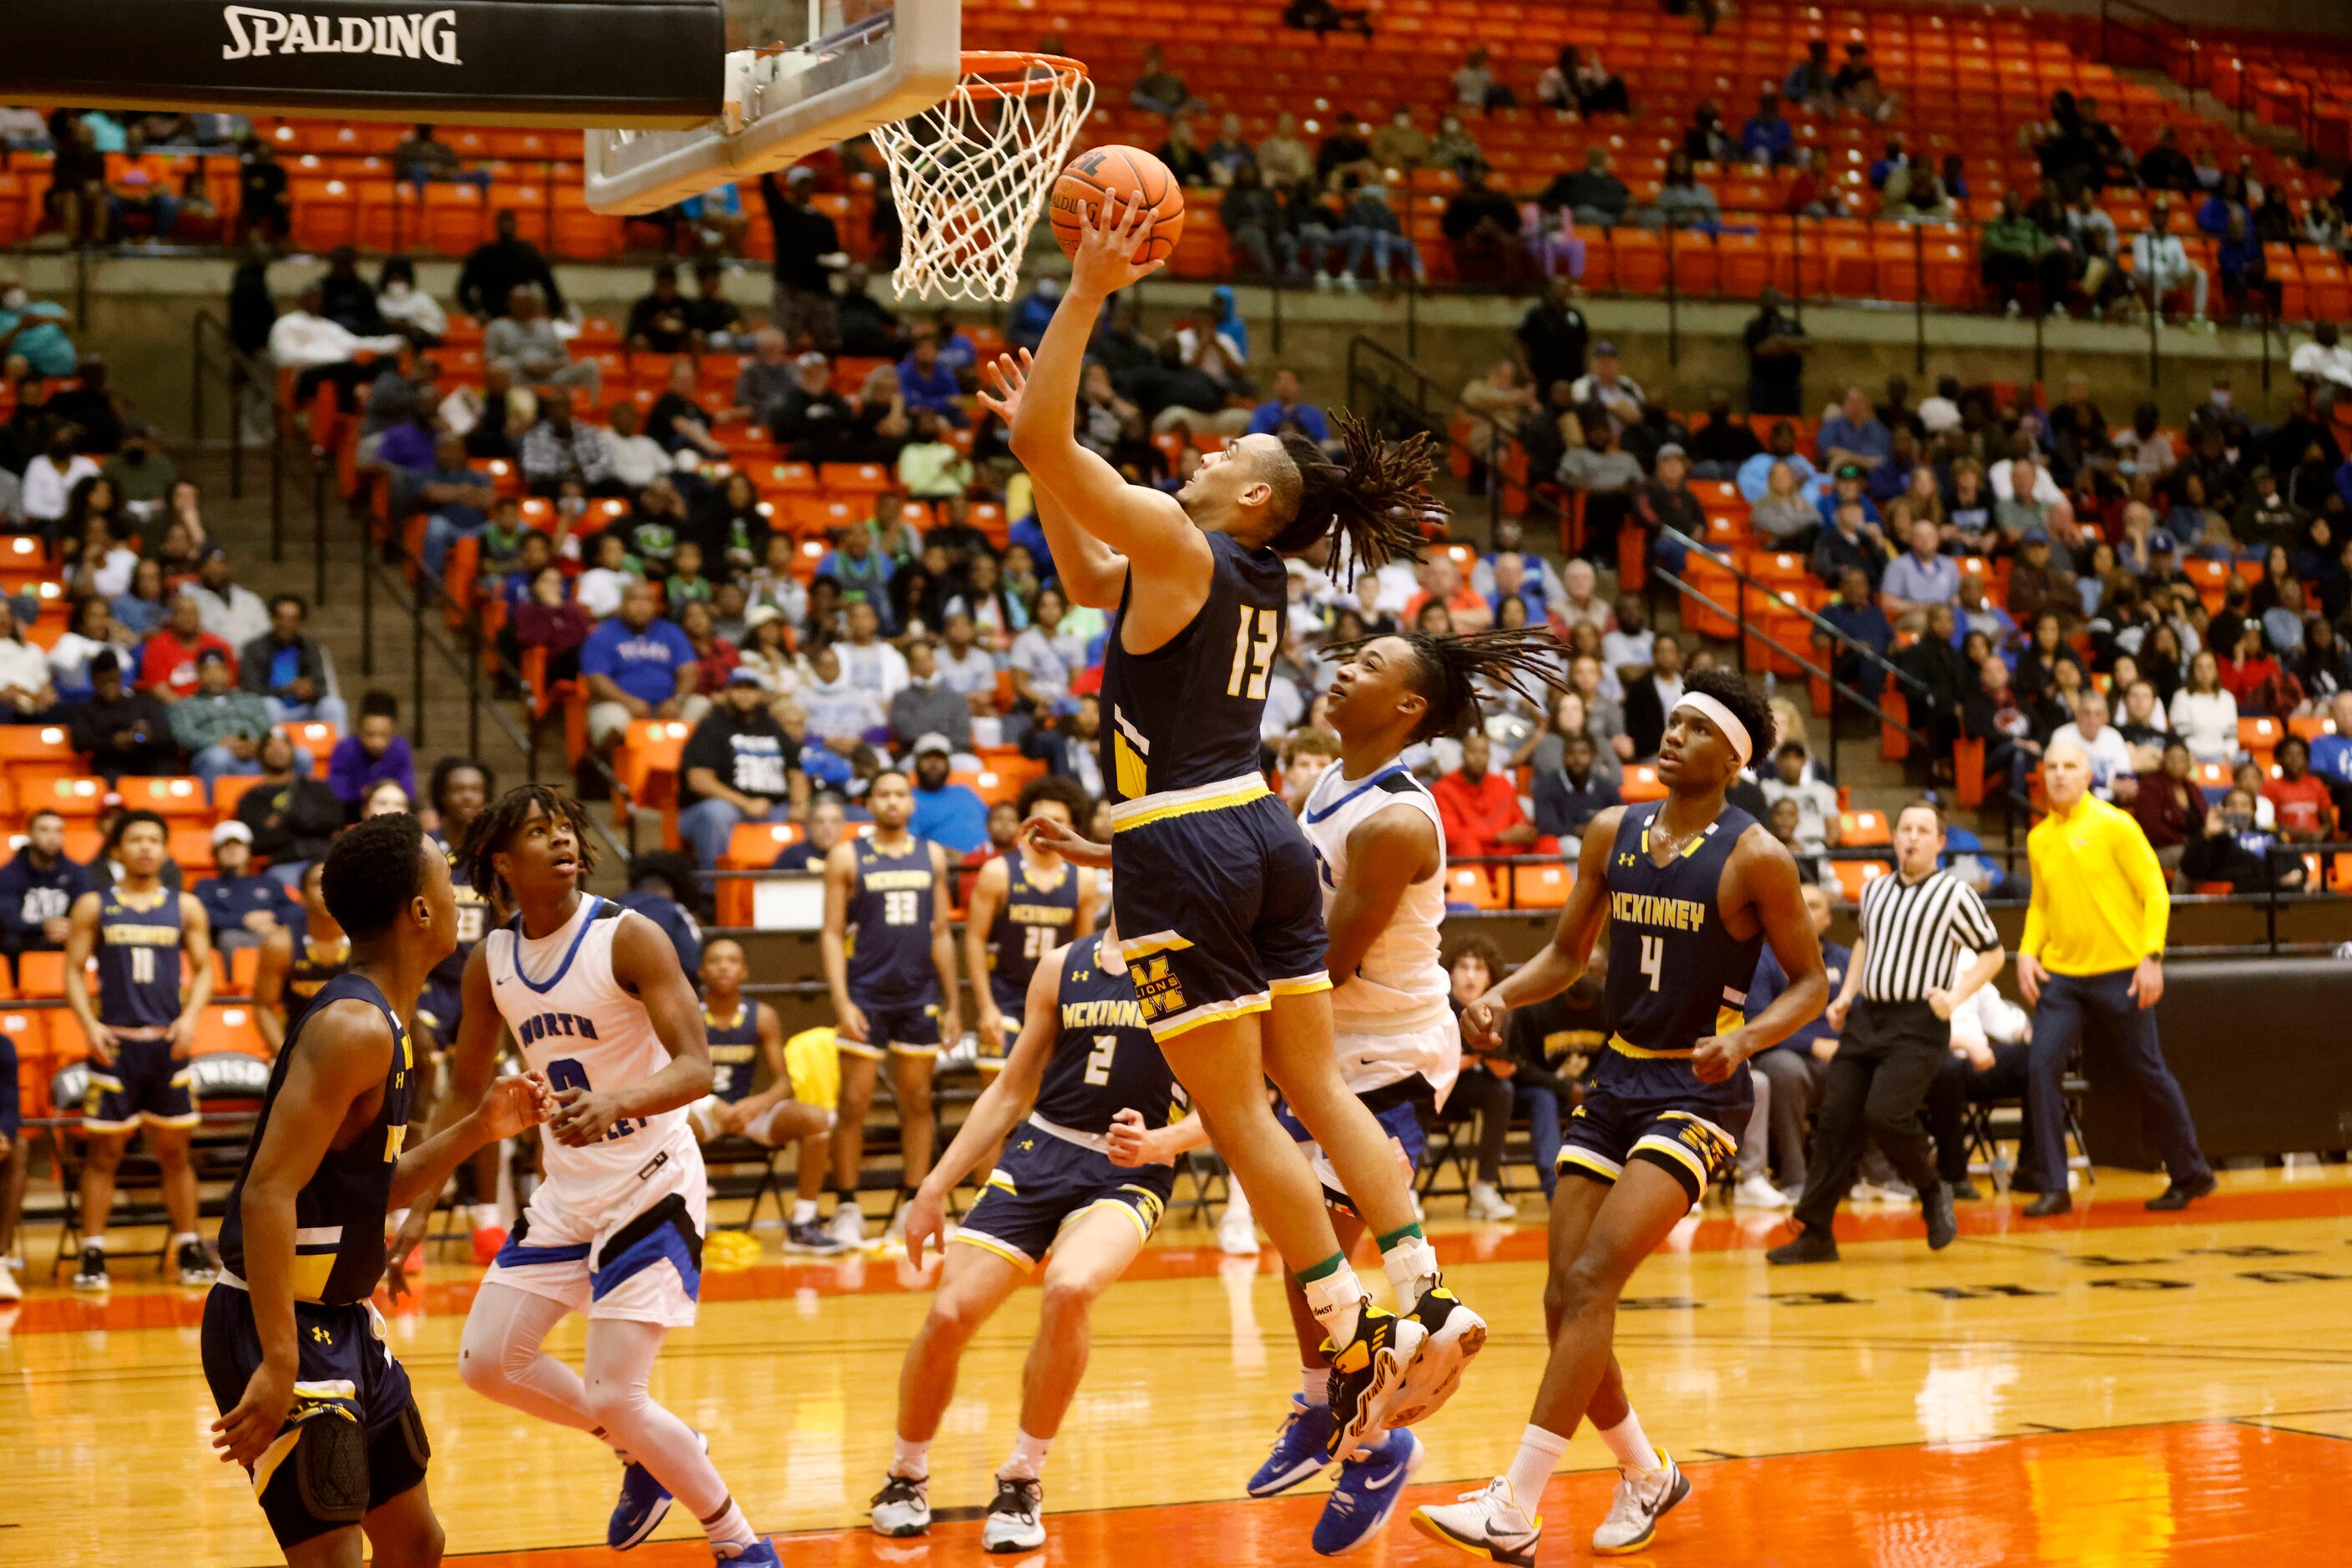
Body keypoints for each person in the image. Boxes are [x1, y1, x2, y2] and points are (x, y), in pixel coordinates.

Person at [998, 193, 1475, 1464]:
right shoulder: (1219, 567)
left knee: (1256, 1112)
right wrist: (1042, 465)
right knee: (1312, 1081)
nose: (1202, 456)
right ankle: (1426, 1284)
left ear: (1257, 502)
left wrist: (1088, 289)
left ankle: (1349, 1325)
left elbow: (1054, 432)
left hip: (1182, 844)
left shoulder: (1186, 535)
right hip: (1261, 827)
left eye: (1227, 457)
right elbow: (1086, 577)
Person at [1112, 625, 1552, 1550]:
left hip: (1386, 1060)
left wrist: (1211, 975)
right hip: (1331, 1047)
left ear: (1407, 708)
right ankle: (1325, 1402)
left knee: (1329, 1246)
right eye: (1349, 656)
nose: (1345, 665)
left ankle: (1378, 1442)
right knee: (1299, 1247)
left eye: (1370, 665)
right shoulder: (1326, 784)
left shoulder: (1394, 820)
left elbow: (1329, 961)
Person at [1416, 671, 1825, 1560]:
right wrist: (1504, 1002)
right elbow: (1567, 952)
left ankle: (1514, 1508)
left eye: (1692, 727)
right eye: (1669, 720)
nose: (1671, 735)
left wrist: (1750, 1038)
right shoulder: (1615, 831)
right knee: (1564, 1300)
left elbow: (1812, 981)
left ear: (1731, 758)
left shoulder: (1757, 856)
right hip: (1615, 1082)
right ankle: (1647, 1475)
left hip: (1699, 1092)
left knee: (1595, 1280)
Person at [413, 787, 777, 1564]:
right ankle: (645, 1452)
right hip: (567, 1193)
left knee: (618, 1393)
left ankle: (739, 1542)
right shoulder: (494, 959)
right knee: (487, 1364)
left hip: (652, 1180)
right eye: (539, 833)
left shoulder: (629, 935)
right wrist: (413, 1207)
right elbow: (463, 1090)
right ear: (502, 863)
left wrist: (614, 1100)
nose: (562, 842)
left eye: (566, 829)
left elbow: (697, 1068)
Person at [200, 814, 556, 1568]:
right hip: (282, 1320)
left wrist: (478, 1129)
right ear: (419, 911)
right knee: (334, 1558)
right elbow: (268, 1193)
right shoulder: (355, 1026)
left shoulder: (386, 1024)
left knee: (417, 1542)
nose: (460, 893)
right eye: (445, 879)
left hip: (348, 1323)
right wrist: (278, 1361)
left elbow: (370, 1189)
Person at [871, 908, 1178, 1553]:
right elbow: (1011, 1089)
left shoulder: (1197, 968)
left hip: (1126, 1170)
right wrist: (932, 1187)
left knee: (1069, 1288)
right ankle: (905, 1474)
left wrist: (1161, 1142)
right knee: (950, 1314)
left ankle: (1022, 1479)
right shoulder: (1062, 966)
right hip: (1041, 1151)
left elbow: (1243, 1103)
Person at [1767, 801, 2004, 1263]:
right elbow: (1864, 943)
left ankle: (1934, 1190)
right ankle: (1816, 1232)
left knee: (1886, 1115)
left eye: (1923, 831)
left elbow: (1993, 955)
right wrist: (1846, 994)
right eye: (1905, 829)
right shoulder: (1875, 892)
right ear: (1894, 839)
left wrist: (1954, 999)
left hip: (1918, 1023)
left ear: (1938, 843)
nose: (1912, 838)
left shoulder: (1954, 894)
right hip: (1867, 1018)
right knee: (1836, 1121)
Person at [2014, 741, 2213, 1216]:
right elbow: (2041, 903)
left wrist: (2152, 956)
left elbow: (2154, 892)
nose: (2060, 775)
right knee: (2040, 1067)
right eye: (2052, 767)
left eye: (2070, 767)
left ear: (2088, 775)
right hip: (2062, 976)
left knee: (2147, 1072)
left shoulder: (2115, 825)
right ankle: (2054, 1185)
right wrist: (2025, 952)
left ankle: (2190, 1173)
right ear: (2043, 777)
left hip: (2121, 972)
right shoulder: (2039, 837)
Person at [64, 810, 218, 1290]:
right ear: (117, 850)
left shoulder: (186, 907)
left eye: (155, 839)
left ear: (167, 849)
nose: (146, 848)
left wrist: (191, 1018)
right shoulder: (94, 905)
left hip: (165, 1045)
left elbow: (205, 967)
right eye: (136, 840)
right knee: (103, 1155)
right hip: (115, 1044)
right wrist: (88, 1025)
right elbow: (71, 970)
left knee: (175, 1153)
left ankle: (190, 1243)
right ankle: (92, 1253)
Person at [821, 768, 960, 1247]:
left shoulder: (933, 855)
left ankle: (912, 1202)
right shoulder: (847, 855)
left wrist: (953, 1001)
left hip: (918, 995)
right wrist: (841, 1000)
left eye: (901, 794)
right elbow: (831, 933)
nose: (893, 802)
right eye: (884, 794)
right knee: (853, 1103)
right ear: (870, 801)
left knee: (918, 1101)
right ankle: (846, 1206)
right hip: (866, 994)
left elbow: (941, 931)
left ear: (912, 802)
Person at [684, 938, 837, 1256]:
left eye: (732, 960)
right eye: (715, 960)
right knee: (670, 1127)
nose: (724, 965)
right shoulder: (687, 1013)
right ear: (702, 971)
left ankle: (804, 1223)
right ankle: (677, 1226)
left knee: (816, 1121)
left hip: (746, 1111)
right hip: (701, 1109)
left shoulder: (762, 1016)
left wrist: (758, 1104)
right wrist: (712, 1104)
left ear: (744, 971)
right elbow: (670, 1072)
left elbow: (784, 1082)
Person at [963, 775, 1100, 1071]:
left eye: (1056, 820)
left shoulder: (1084, 880)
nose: (1045, 828)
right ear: (1025, 822)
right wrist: (986, 1007)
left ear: (1071, 827)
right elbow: (974, 939)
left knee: (1048, 1099)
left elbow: (1083, 953)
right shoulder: (997, 872)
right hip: (1006, 996)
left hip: (1055, 999)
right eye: (1039, 819)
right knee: (998, 1092)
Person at [677, 670, 802, 867]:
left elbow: (795, 771)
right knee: (718, 813)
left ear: (760, 694)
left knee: (821, 815)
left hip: (774, 808)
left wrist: (800, 804)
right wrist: (746, 803)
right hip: (719, 808)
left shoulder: (771, 727)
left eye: (750, 689)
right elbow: (698, 779)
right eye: (738, 688)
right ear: (727, 692)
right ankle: (714, 889)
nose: (745, 694)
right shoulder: (711, 726)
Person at [250, 858, 348, 1055]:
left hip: (359, 1051)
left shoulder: (369, 940)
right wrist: (284, 1060)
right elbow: (263, 1007)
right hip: (301, 1051)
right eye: (319, 883)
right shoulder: (280, 945)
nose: (328, 890)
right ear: (301, 896)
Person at [195, 820, 292, 956]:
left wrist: (272, 916)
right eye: (226, 845)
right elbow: (203, 916)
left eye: (238, 844)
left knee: (288, 937)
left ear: (248, 850)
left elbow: (294, 910)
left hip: (270, 935)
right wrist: (244, 921)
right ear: (215, 852)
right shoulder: (206, 886)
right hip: (232, 940)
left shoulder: (269, 882)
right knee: (229, 938)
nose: (232, 849)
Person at [327, 691, 416, 817]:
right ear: (359, 729)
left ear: (393, 731)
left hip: (393, 816)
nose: (376, 742)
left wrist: (382, 792)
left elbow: (408, 791)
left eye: (383, 735)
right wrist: (362, 794)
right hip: (352, 813)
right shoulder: (344, 749)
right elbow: (337, 791)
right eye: (370, 734)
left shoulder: (401, 748)